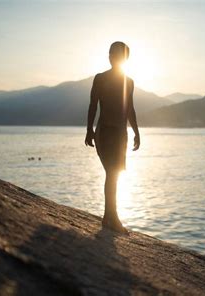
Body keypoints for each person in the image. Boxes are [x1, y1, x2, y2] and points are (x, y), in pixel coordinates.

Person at [85, 41, 140, 234]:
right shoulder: (100, 78)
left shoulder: (129, 82)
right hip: (105, 131)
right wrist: (89, 129)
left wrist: (136, 132)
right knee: (112, 173)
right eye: (110, 53)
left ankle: (109, 217)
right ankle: (112, 217)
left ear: (124, 58)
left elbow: (130, 108)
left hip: (121, 134)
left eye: (115, 54)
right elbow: (93, 104)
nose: (111, 56)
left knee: (114, 175)